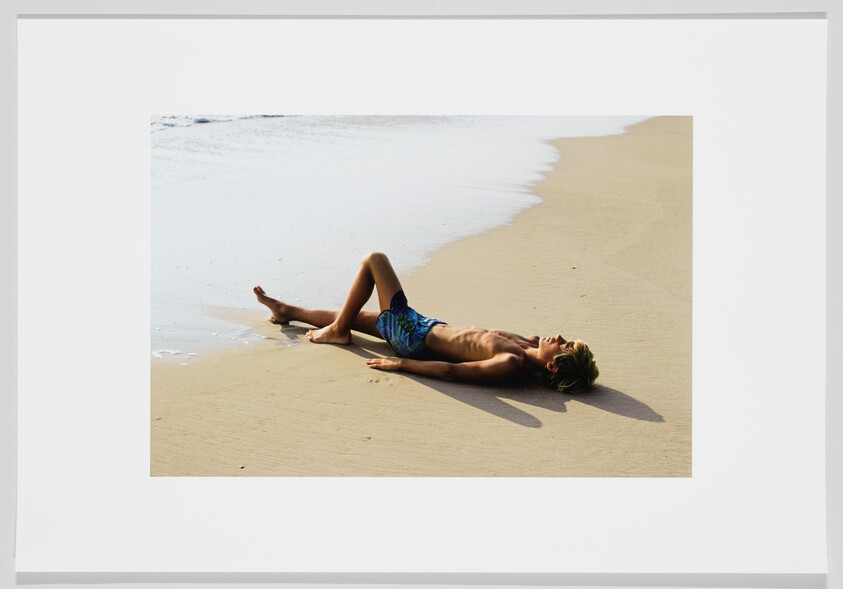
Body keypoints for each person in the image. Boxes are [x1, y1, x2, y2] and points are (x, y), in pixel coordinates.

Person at [253, 252, 598, 394]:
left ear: (553, 367)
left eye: (566, 344)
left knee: (375, 261)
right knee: (354, 315)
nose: (561, 336)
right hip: (424, 325)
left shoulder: (512, 363)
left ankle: (338, 331)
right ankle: (287, 311)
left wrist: (400, 362)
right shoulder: (529, 343)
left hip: (413, 339)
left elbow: (454, 372)